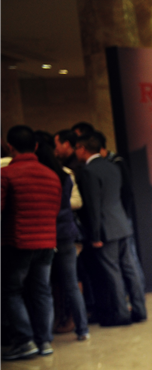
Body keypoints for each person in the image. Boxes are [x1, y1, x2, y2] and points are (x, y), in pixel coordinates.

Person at [1, 126, 63, 360]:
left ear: (10, 147)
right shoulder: (51, 175)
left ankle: (25, 341)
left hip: (18, 243)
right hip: (47, 242)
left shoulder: (6, 174)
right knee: (42, 291)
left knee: (11, 291)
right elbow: (55, 210)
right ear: (36, 147)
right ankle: (44, 341)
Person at [75, 133, 146, 326]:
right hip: (122, 224)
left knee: (113, 272)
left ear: (83, 148)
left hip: (106, 229)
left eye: (77, 148)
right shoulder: (113, 166)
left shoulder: (89, 171)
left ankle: (121, 314)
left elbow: (93, 206)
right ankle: (140, 309)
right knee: (129, 269)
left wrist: (95, 235)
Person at [35, 131, 88, 341]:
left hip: (47, 233)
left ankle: (46, 336)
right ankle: (82, 329)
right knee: (71, 283)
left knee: (44, 286)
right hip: (67, 232)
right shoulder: (65, 174)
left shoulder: (41, 176)